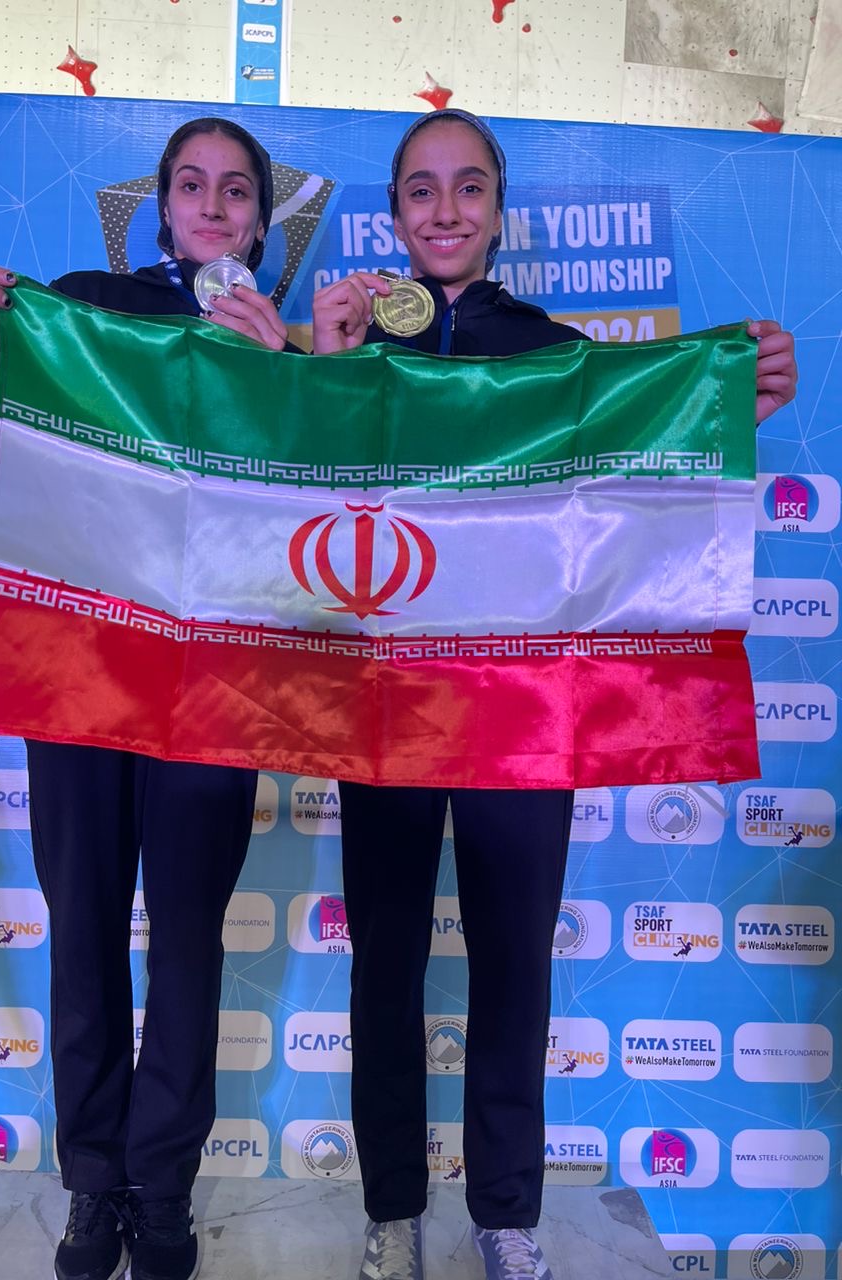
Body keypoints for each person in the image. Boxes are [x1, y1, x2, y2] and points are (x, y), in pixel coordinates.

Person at [312, 108, 797, 1280]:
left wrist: (725, 406)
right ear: (393, 214)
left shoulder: (560, 353)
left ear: (498, 210)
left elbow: (637, 474)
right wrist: (322, 366)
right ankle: (392, 1208)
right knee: (384, 963)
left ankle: (506, 1212)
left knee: (514, 959)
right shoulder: (350, 338)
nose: (444, 210)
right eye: (421, 190)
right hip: (383, 706)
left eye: (467, 187)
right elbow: (290, 485)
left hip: (524, 710)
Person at [0, 117, 295, 1280]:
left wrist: (279, 380)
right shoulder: (84, 308)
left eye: (236, 191)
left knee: (186, 939)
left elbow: (314, 518)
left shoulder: (280, 339)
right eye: (192, 184)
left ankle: (163, 1186)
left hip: (215, 684)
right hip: (79, 674)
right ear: (162, 207)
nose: (213, 205)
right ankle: (94, 1180)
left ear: (261, 222)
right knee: (83, 929)